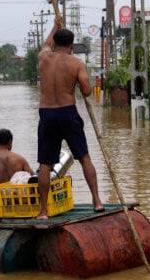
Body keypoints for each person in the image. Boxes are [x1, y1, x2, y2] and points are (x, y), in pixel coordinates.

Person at [36, 16, 103, 217]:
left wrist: (54, 27)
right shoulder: (76, 63)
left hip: (47, 113)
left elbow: (46, 44)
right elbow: (86, 91)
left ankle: (43, 211)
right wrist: (80, 81)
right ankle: (97, 201)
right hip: (67, 112)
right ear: (71, 45)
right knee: (84, 157)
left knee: (45, 164)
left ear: (55, 42)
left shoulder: (43, 58)